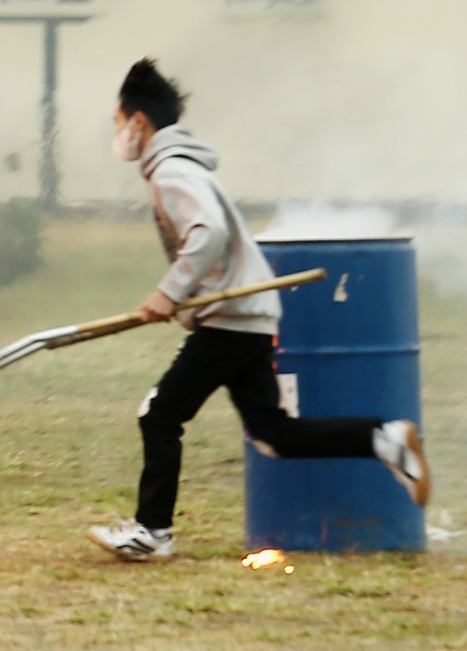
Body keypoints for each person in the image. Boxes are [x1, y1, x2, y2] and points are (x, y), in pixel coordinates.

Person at [88, 58, 431, 562]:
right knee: (274, 434)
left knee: (159, 416)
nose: (117, 134)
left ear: (138, 121)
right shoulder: (179, 167)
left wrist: (168, 292)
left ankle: (152, 531)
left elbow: (208, 232)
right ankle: (384, 440)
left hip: (231, 316)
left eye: (118, 123)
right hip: (245, 316)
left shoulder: (171, 171)